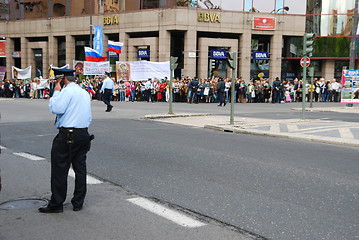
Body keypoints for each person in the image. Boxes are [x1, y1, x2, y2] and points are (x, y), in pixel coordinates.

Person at [39, 68, 93, 213]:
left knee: (60, 170)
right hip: (83, 133)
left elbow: (56, 108)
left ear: (63, 80)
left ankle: (56, 204)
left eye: (58, 81)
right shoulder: (84, 92)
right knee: (80, 169)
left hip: (68, 135)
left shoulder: (66, 91)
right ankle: (78, 203)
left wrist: (56, 92)